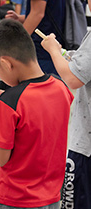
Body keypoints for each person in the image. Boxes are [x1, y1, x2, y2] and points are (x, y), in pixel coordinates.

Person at [0, 19, 73, 208]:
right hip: (52, 196)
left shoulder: (10, 101)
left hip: (15, 199)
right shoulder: (61, 88)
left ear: (6, 64)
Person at [41, 0, 91, 207]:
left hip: (85, 147)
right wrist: (65, 55)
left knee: (76, 201)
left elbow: (73, 78)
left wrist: (52, 50)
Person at [5, 0, 65, 76]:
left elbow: (37, 13)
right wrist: (21, 18)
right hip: (52, 44)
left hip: (40, 46)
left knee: (38, 83)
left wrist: (16, 42)